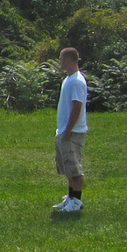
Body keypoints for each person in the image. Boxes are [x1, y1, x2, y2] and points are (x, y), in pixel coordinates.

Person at [52, 47, 89, 212]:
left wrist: (68, 129)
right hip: (64, 130)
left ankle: (77, 201)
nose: (60, 62)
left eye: (61, 59)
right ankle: (71, 197)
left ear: (68, 60)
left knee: (74, 168)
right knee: (68, 167)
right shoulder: (68, 80)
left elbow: (77, 107)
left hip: (72, 132)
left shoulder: (77, 81)